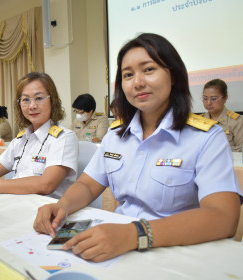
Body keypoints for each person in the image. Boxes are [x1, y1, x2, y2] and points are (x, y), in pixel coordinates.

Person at [33, 33, 241, 262]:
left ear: (173, 76)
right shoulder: (116, 135)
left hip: (174, 251)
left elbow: (223, 217)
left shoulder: (206, 138)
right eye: (128, 75)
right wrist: (61, 206)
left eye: (149, 69)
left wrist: (136, 234)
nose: (138, 82)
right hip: (115, 244)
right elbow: (87, 185)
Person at [0, 72, 78, 199]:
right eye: (25, 100)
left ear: (53, 101)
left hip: (45, 210)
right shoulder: (21, 139)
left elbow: (46, 184)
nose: (32, 106)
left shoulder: (64, 138)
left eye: (39, 98)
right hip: (15, 202)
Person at [201, 79, 243, 152]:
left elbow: (241, 148)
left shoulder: (237, 121)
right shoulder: (199, 120)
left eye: (213, 99)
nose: (208, 103)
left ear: (225, 98)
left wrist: (218, 152)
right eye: (205, 98)